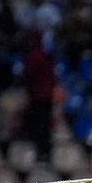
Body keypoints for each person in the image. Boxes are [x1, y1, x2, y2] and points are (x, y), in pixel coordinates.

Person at [22, 30, 57, 162]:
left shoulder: (34, 57)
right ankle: (44, 152)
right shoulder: (46, 56)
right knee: (44, 126)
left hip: (38, 96)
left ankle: (41, 152)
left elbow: (28, 76)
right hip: (45, 96)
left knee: (40, 125)